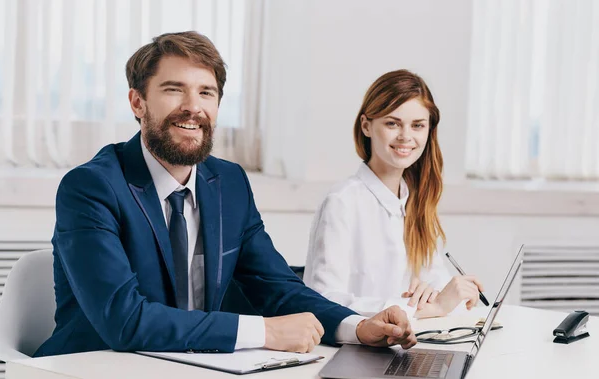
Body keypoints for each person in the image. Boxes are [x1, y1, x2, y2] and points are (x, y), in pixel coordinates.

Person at [34, 32, 417, 357]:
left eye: (206, 93)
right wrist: (264, 333)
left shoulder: (229, 183)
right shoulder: (91, 188)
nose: (193, 107)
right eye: (174, 90)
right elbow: (124, 320)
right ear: (138, 102)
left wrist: (358, 326)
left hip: (191, 367)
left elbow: (277, 288)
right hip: (92, 368)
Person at [303, 70, 484, 320]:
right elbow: (324, 300)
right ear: (366, 126)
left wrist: (456, 291)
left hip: (410, 341)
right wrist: (419, 307)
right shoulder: (342, 201)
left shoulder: (414, 201)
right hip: (355, 349)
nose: (406, 137)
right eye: (392, 123)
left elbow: (436, 280)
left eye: (418, 125)